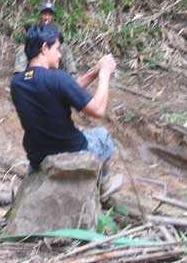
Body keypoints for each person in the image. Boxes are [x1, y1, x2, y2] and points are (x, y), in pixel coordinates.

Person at [10, 23, 116, 172]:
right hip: (70, 150)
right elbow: (98, 110)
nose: (60, 55)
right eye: (57, 49)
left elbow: (64, 89)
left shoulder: (17, 84)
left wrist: (93, 73)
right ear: (44, 48)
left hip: (38, 157)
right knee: (102, 136)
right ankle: (100, 181)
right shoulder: (58, 77)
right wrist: (105, 73)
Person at [14, 1, 78, 76]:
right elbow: (28, 41)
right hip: (37, 50)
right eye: (44, 14)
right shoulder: (34, 28)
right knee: (22, 49)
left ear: (53, 17)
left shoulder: (56, 29)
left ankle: (72, 74)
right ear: (40, 15)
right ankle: (19, 74)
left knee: (65, 47)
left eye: (50, 15)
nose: (46, 17)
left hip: (51, 50)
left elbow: (59, 42)